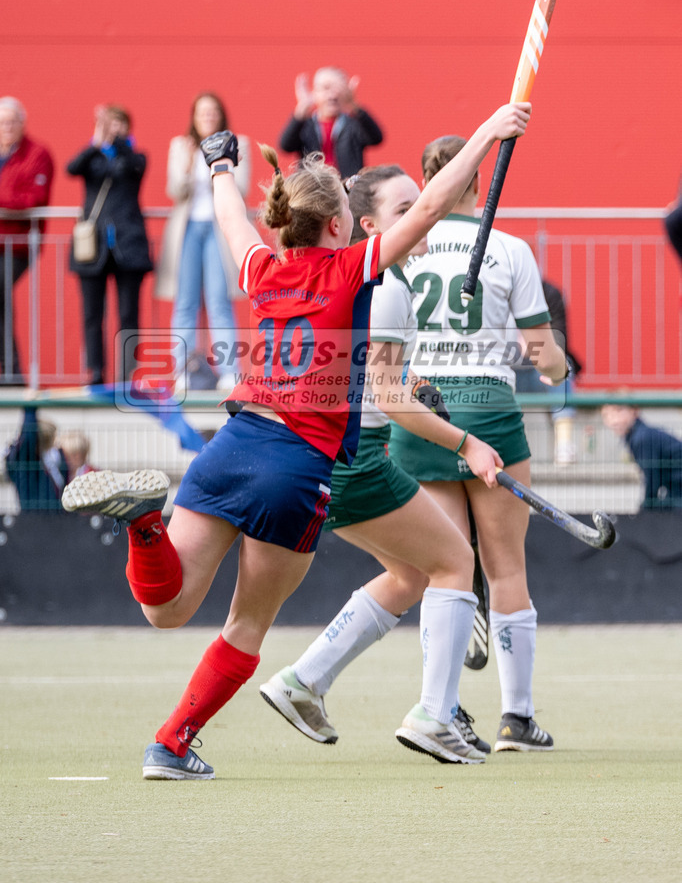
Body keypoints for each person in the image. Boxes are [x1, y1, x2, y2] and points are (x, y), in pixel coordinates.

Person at [62, 100, 531, 781]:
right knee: (245, 625)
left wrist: (220, 163)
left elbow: (229, 216)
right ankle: (170, 743)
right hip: (296, 468)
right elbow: (429, 210)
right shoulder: (351, 269)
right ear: (341, 224)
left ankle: (143, 528)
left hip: (232, 445)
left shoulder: (263, 270)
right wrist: (489, 132)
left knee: (165, 608)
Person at [260, 164, 502, 761]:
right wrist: (464, 443)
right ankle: (436, 717)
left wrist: (415, 383)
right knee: (454, 562)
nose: (423, 213)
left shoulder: (369, 280)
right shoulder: (388, 284)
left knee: (409, 576)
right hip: (355, 458)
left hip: (324, 458)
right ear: (366, 225)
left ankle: (304, 681)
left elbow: (373, 374)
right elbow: (387, 399)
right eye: (405, 208)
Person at [387, 133, 569, 753]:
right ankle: (516, 718)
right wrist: (560, 370)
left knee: (447, 565)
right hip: (489, 408)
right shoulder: (511, 249)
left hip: (422, 413)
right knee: (505, 566)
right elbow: (543, 357)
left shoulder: (404, 250)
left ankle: (443, 710)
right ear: (478, 182)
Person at [155, 93, 251, 387]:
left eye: (213, 112)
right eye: (202, 112)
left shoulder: (238, 143)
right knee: (185, 302)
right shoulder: (181, 145)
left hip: (218, 230)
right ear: (193, 116)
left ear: (221, 115)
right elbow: (174, 189)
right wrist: (186, 169)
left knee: (219, 302)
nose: (207, 117)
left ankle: (228, 371)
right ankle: (184, 370)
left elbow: (242, 188)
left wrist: (220, 167)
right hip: (188, 230)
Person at [67, 105, 153, 385]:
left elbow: (134, 166)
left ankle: (127, 374)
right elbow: (72, 167)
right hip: (93, 249)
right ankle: (95, 371)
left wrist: (116, 139)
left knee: (128, 313)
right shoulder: (93, 159)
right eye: (109, 124)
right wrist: (96, 142)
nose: (114, 128)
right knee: (93, 313)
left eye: (120, 124)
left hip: (129, 247)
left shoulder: (134, 157)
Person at [0, 97, 54, 385]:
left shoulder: (36, 154)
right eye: (2, 123)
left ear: (22, 124)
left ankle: (11, 373)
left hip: (17, 243)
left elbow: (34, 198)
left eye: (11, 122)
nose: (6, 128)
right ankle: (10, 373)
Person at [514, 277, 583, 464]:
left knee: (563, 366)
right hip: (506, 370)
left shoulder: (549, 293)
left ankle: (565, 445)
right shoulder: (491, 292)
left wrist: (537, 345)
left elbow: (560, 341)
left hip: (537, 370)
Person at [279, 67, 383, 178]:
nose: (332, 96)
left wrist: (354, 106)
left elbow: (376, 138)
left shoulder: (353, 124)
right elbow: (286, 146)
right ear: (315, 92)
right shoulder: (305, 125)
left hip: (348, 190)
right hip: (312, 189)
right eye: (326, 88)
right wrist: (301, 110)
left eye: (338, 88)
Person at [601, 404, 682, 509]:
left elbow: (652, 479)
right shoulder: (639, 435)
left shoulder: (641, 438)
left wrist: (644, 511)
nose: (614, 420)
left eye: (619, 410)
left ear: (634, 411)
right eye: (606, 415)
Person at [4, 407, 68, 511]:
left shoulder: (50, 462)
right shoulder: (27, 463)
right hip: (35, 520)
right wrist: (30, 408)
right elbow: (29, 438)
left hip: (55, 521)